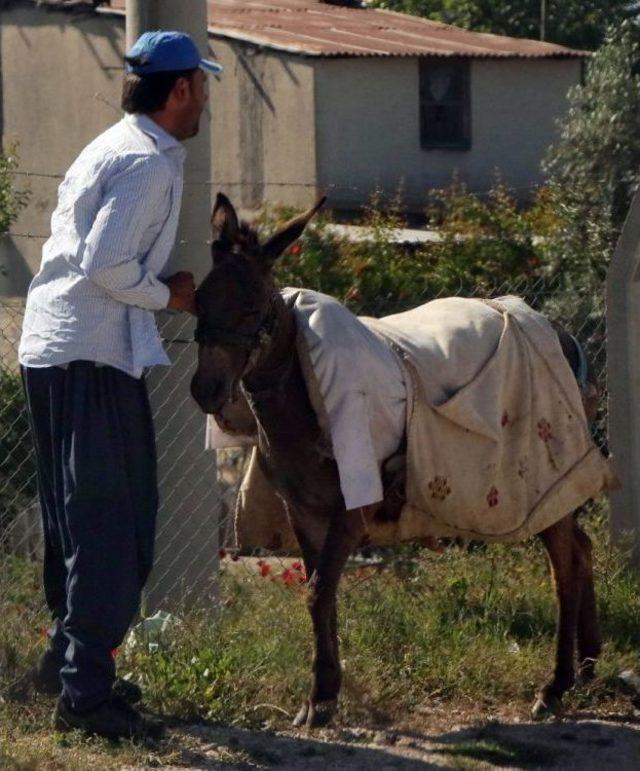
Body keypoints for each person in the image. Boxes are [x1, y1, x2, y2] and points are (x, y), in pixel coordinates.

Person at [18, 30, 222, 741]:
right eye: (202, 85)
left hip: (58, 349)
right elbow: (106, 262)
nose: (205, 100)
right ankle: (84, 696)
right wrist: (171, 296)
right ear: (179, 91)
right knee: (115, 523)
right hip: (92, 357)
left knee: (79, 521)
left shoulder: (115, 144)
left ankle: (70, 664)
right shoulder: (147, 164)